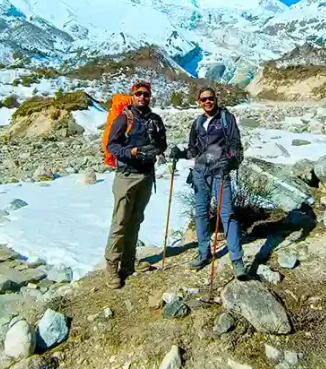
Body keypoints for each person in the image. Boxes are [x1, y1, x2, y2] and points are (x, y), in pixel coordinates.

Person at [169, 87, 247, 280]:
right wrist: (180, 153)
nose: (207, 102)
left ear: (215, 99)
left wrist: (230, 161)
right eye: (203, 100)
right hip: (200, 173)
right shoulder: (198, 123)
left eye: (210, 98)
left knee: (227, 214)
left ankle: (237, 260)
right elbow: (193, 150)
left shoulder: (226, 119)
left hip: (220, 172)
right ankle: (204, 253)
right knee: (201, 213)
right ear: (199, 102)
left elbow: (236, 146)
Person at [103, 80, 167, 289]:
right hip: (126, 176)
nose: (142, 97)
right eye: (138, 94)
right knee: (120, 221)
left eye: (146, 94)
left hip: (146, 175)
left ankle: (129, 262)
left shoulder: (154, 119)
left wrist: (156, 148)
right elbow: (112, 145)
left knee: (136, 220)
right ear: (132, 96)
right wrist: (129, 152)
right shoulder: (124, 118)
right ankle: (112, 266)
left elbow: (162, 143)